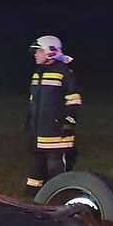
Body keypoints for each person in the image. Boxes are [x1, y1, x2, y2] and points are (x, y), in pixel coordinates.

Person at [26, 35, 81, 197]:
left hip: (57, 134)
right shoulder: (37, 74)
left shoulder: (64, 73)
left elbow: (74, 100)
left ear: (50, 52)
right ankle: (32, 198)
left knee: (56, 169)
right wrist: (30, 118)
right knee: (36, 169)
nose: (35, 55)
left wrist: (69, 122)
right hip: (39, 133)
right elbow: (34, 100)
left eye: (38, 51)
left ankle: (61, 197)